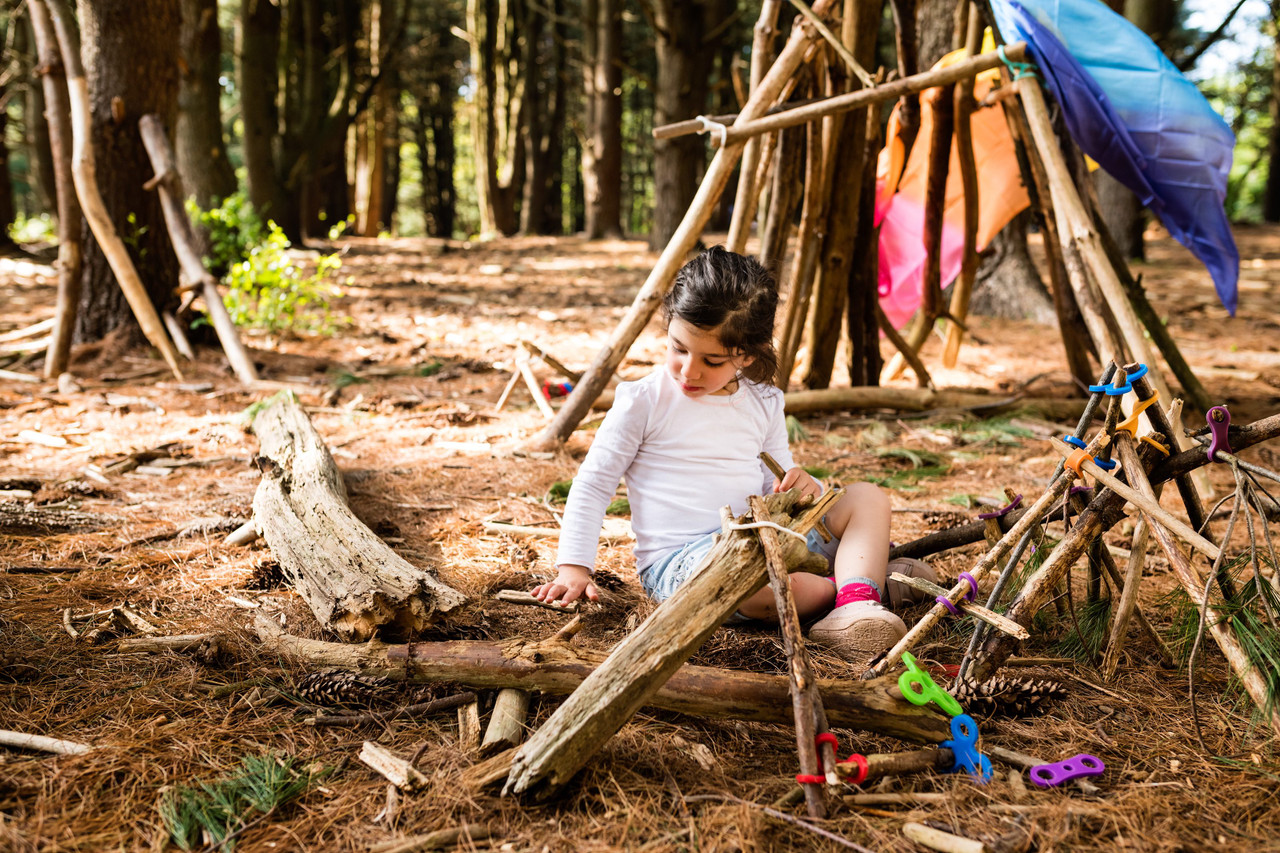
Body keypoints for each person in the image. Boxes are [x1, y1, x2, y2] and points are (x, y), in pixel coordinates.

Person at [531, 246, 934, 660]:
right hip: (687, 565)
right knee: (761, 586)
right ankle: (860, 587)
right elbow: (593, 484)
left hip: (768, 535)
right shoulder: (643, 402)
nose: (689, 370)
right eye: (678, 348)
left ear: (746, 354)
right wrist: (574, 567)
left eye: (712, 360)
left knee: (867, 497)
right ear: (669, 326)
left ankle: (855, 605)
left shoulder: (763, 402)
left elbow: (774, 482)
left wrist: (800, 485)